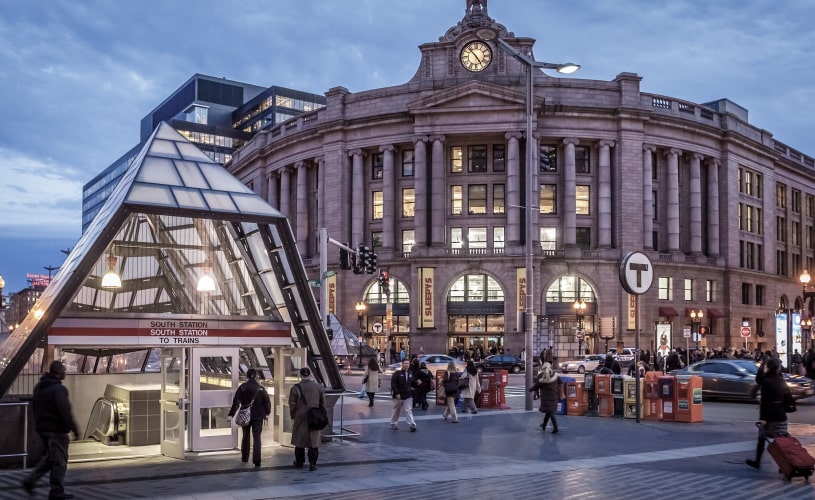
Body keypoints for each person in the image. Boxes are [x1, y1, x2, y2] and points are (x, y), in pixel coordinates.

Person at [22, 360, 80, 500]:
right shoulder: (59, 389)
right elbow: (64, 411)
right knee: (59, 461)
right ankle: (56, 492)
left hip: (43, 429)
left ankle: (30, 480)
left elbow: (35, 407)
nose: (65, 373)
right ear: (58, 373)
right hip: (57, 430)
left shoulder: (39, 387)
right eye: (63, 371)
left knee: (51, 458)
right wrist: (74, 428)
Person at [746, 357, 792, 469]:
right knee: (782, 441)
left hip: (770, 416)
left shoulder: (766, 382)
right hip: (781, 414)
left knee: (762, 438)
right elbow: (787, 398)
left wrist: (763, 418)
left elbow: (765, 401)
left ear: (768, 368)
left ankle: (757, 462)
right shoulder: (781, 380)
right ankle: (786, 464)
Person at [227, 368, 272, 467]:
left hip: (245, 415)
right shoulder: (261, 389)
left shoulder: (242, 387)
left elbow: (236, 402)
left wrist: (231, 414)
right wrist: (267, 413)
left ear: (247, 376)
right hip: (258, 416)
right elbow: (267, 402)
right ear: (256, 376)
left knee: (245, 436)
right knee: (257, 438)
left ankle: (245, 457)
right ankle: (257, 460)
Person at [289, 367, 326, 471]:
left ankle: (299, 462)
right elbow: (323, 403)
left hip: (301, 417)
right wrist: (322, 415)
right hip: (315, 417)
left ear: (301, 375)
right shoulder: (318, 387)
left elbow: (292, 404)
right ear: (309, 375)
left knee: (299, 441)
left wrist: (293, 415)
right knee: (313, 441)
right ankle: (313, 464)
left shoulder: (295, 388)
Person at [530, 362, 563, 433]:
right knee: (549, 412)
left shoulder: (540, 377)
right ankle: (544, 425)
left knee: (550, 412)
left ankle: (556, 427)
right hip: (554, 396)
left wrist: (530, 389)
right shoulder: (555, 375)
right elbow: (561, 383)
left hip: (546, 398)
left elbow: (536, 386)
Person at [390, 359, 417, 431]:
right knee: (397, 410)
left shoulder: (410, 373)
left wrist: (417, 383)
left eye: (408, 363)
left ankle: (412, 424)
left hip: (408, 394)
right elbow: (393, 384)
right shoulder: (397, 373)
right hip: (399, 395)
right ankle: (393, 423)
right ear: (402, 364)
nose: (407, 365)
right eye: (405, 363)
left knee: (408, 410)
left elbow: (412, 382)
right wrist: (397, 393)